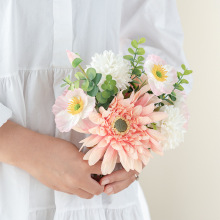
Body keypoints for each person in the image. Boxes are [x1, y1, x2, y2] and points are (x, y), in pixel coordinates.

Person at [0, 0, 190, 219]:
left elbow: (159, 46)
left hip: (108, 198)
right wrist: (25, 149)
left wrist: (136, 145)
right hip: (9, 188)